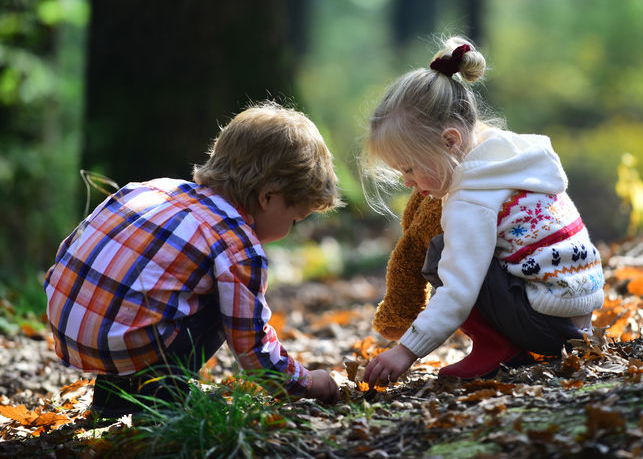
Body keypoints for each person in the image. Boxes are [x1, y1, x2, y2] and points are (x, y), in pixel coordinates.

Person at [44, 101, 344, 417]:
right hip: (123, 343)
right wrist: (307, 383)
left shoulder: (153, 188)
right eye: (295, 218)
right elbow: (252, 347)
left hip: (65, 327)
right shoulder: (238, 244)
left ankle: (115, 395)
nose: (291, 229)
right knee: (223, 298)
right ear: (268, 197)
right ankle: (161, 393)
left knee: (157, 288)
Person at [361, 37, 605, 385]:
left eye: (410, 168)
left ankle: (497, 348)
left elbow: (459, 290)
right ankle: (507, 341)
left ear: (450, 141)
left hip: (548, 326)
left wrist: (406, 351)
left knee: (441, 251)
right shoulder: (509, 156)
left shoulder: (471, 199)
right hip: (576, 318)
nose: (407, 182)